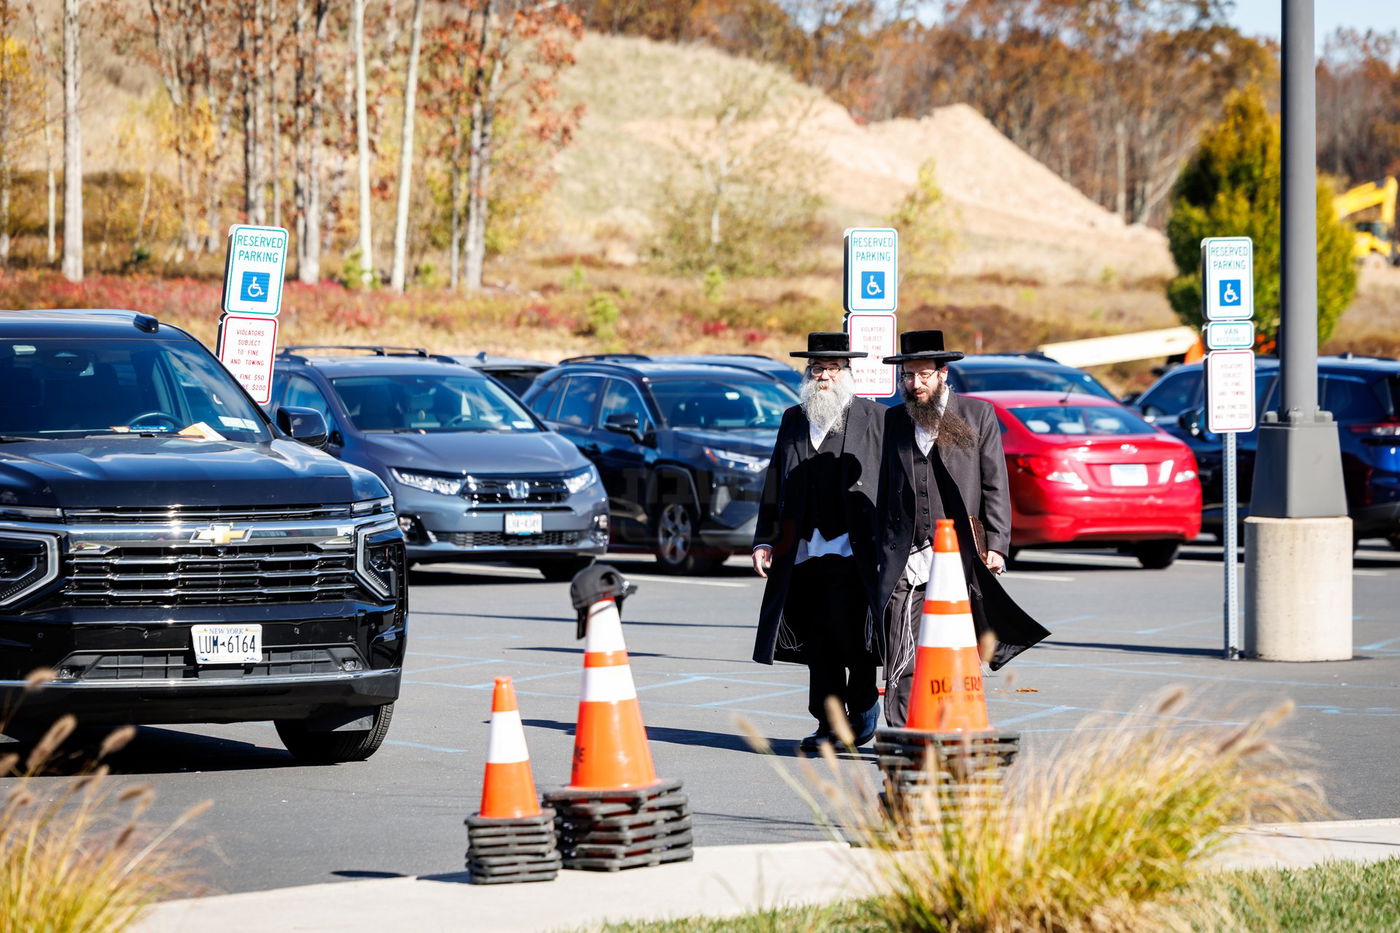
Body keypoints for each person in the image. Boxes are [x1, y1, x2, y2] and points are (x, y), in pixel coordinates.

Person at [874, 330, 1050, 727]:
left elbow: (994, 485)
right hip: (907, 550)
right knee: (900, 638)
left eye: (922, 375)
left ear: (943, 373)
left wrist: (997, 545)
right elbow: (888, 489)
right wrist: (881, 547)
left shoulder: (977, 414)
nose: (914, 384)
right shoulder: (895, 419)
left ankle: (949, 721)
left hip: (960, 552)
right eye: (908, 376)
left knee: (957, 642)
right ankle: (904, 728)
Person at [752, 332, 885, 751]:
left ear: (847, 372)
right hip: (804, 552)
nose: (823, 375)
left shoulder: (874, 417)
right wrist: (764, 540)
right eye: (816, 368)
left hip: (854, 551)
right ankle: (828, 725)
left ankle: (863, 708)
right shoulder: (794, 417)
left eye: (831, 368)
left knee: (855, 639)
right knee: (819, 644)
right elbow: (776, 480)